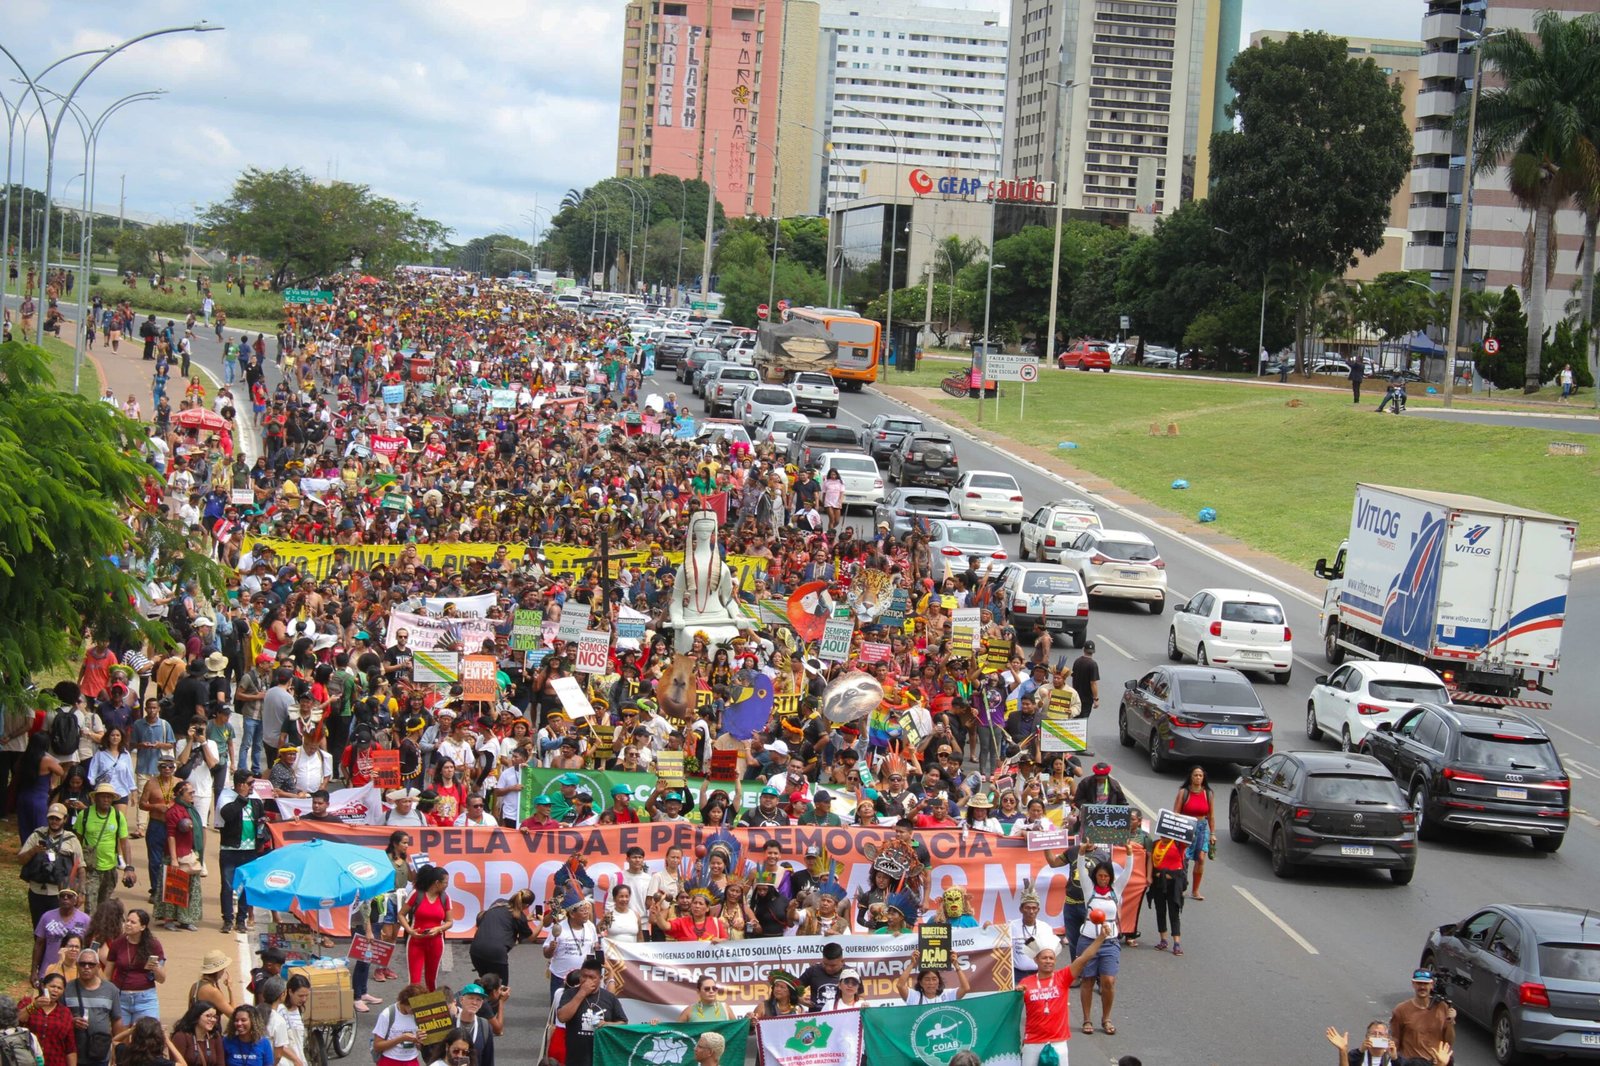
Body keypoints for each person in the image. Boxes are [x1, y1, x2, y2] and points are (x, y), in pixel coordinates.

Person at [1019, 919, 1113, 1066]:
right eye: (1044, 958)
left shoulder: (1062, 977)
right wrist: (1016, 993)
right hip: (1033, 1042)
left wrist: (1100, 938)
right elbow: (1009, 1007)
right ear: (1036, 960)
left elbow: (1083, 959)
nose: (1048, 961)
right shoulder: (1025, 983)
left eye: (1051, 958)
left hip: (1058, 1042)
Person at [22, 804, 87, 930]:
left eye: (57, 819)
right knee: (38, 930)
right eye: (51, 818)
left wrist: (81, 893)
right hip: (36, 891)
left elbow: (81, 868)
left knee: (58, 930)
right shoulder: (37, 835)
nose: (54, 821)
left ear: (65, 819)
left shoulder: (71, 840)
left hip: (60, 894)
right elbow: (21, 859)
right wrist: (34, 851)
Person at [74, 785, 134, 917]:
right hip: (90, 869)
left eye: (109, 797)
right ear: (95, 798)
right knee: (90, 906)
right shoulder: (84, 815)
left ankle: (101, 935)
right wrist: (76, 868)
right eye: (103, 796)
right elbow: (77, 842)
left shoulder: (118, 817)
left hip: (110, 868)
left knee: (104, 907)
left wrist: (129, 868)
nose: (106, 799)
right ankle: (90, 935)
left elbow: (125, 843)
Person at [554, 958, 625, 1066]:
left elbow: (623, 1023)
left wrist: (607, 1024)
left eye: (592, 977)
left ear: (600, 978)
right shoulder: (570, 994)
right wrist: (582, 992)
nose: (587, 980)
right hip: (576, 1059)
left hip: (602, 1057)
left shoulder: (609, 998)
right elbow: (562, 1017)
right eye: (584, 976)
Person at [105, 910, 165, 1025]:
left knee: (148, 1036)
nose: (128, 924)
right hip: (121, 998)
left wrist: (156, 968)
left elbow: (162, 979)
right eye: (127, 921)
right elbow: (107, 975)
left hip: (145, 998)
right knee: (120, 1038)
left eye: (133, 922)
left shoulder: (153, 945)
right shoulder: (118, 944)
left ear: (142, 927)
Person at [64, 947, 121, 1066]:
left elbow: (117, 1020)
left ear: (98, 967)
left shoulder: (111, 990)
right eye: (82, 964)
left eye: (91, 964)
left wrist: (117, 1049)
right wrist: (71, 1021)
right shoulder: (67, 988)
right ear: (77, 965)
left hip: (100, 1052)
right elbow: (58, 1016)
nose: (86, 967)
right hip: (73, 1052)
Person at [400, 866, 452, 991]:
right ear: (437, 883)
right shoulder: (417, 894)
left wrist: (439, 928)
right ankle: (414, 1009)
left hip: (436, 942)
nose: (447, 885)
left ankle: (431, 1009)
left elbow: (450, 922)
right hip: (416, 942)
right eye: (445, 882)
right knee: (414, 982)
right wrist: (410, 930)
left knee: (431, 979)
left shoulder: (445, 898)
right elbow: (401, 914)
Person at [1389, 970, 1455, 1065]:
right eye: (1419, 983)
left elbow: (1449, 1042)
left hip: (1435, 1062)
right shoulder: (1401, 1010)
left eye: (1426, 984)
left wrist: (1450, 1021)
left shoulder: (1442, 1007)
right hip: (1410, 1063)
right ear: (1413, 984)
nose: (1422, 987)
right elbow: (1395, 1038)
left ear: (1431, 985)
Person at [467, 891, 534, 985]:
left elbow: (501, 919)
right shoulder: (520, 917)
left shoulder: (498, 902)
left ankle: (480, 998)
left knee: (485, 984)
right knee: (501, 989)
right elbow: (530, 938)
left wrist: (525, 920)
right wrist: (542, 922)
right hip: (496, 953)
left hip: (476, 950)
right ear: (527, 906)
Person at [33, 887, 91, 988]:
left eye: (69, 896)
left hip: (73, 974)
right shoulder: (47, 917)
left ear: (75, 900)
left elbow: (89, 947)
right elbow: (39, 944)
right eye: (62, 896)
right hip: (49, 971)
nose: (65, 898)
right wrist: (34, 971)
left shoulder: (85, 920)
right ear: (58, 899)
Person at [1173, 766, 1214, 899]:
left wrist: (1212, 833)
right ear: (1191, 777)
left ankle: (1195, 890)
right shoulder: (1183, 792)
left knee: (1201, 859)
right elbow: (1176, 813)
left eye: (1200, 775)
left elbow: (1211, 816)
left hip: (1202, 829)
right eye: (1195, 775)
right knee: (1183, 859)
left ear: (1203, 778)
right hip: (1186, 828)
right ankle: (1181, 885)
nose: (1198, 778)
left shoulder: (1208, 793)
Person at [21, 972, 76, 1066]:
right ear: (43, 986)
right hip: (29, 1061)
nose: (55, 990)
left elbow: (70, 1047)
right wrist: (34, 1006)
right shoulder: (28, 1003)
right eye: (52, 986)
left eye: (59, 988)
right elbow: (16, 1020)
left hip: (55, 1062)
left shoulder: (65, 1013)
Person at [1146, 830, 1186, 956]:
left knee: (1173, 911)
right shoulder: (1155, 844)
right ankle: (1163, 939)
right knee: (1160, 910)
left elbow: (1190, 839)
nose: (1164, 836)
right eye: (1162, 833)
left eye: (1167, 834)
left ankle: (1177, 943)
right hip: (1158, 882)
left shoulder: (1179, 844)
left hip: (1174, 884)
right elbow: (1150, 861)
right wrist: (1149, 876)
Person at [369, 985, 424, 1066]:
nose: (416, 1011)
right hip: (390, 1060)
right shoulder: (387, 1014)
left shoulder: (419, 1014)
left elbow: (421, 1047)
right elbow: (377, 1046)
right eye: (413, 1008)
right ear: (405, 1002)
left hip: (411, 1060)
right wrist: (401, 1039)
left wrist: (420, 1042)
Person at [797, 942, 845, 1012]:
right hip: (815, 1019)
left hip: (841, 1018)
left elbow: (860, 997)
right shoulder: (813, 971)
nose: (828, 968)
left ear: (842, 961)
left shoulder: (850, 974)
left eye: (833, 966)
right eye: (825, 964)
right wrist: (799, 999)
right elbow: (793, 988)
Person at [896, 959, 970, 1004]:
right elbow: (900, 985)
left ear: (939, 981)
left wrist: (956, 965)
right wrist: (912, 963)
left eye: (934, 979)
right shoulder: (914, 996)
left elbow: (965, 988)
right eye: (927, 979)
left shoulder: (947, 995)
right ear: (921, 983)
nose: (931, 983)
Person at [1325, 1021, 1397, 1066]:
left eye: (1381, 1034)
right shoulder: (1356, 1056)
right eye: (1373, 1034)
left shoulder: (1396, 1058)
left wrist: (1395, 1059)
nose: (1377, 1037)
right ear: (1367, 1037)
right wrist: (1343, 1051)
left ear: (1388, 1038)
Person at [1069, 642, 1100, 719]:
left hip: (1076, 696)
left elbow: (1073, 678)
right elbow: (1093, 683)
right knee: (1082, 721)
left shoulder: (1077, 661)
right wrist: (1096, 699)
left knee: (1075, 718)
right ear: (1093, 651)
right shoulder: (1093, 664)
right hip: (1086, 699)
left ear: (1084, 649)